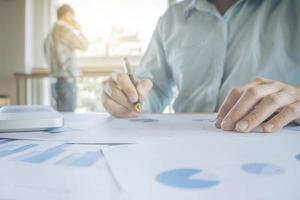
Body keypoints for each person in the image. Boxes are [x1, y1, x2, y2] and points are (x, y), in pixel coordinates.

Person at [102, 0, 300, 132]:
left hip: (266, 142)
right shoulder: (172, 18)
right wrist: (128, 98)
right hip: (183, 148)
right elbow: (153, 89)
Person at [44, 4, 88, 112]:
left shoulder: (51, 32)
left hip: (56, 80)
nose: (74, 19)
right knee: (69, 118)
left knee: (61, 117)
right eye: (73, 16)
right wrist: (79, 29)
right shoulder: (64, 30)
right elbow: (84, 45)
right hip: (66, 81)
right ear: (68, 15)